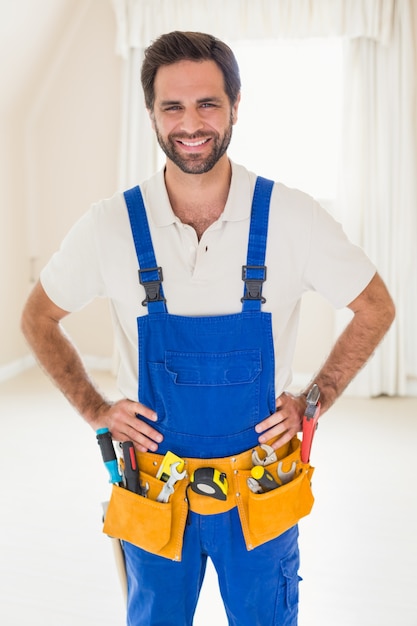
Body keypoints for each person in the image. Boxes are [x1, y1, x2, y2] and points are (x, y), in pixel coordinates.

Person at [21, 31, 395, 626]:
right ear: (151, 114)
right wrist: (96, 409)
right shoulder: (111, 224)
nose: (190, 123)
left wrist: (313, 399)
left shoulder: (290, 216)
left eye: (207, 104)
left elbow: (376, 306)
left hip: (261, 486)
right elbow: (38, 317)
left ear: (236, 107)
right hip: (153, 487)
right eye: (172, 106)